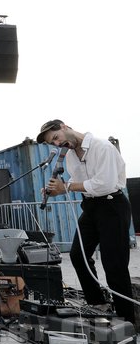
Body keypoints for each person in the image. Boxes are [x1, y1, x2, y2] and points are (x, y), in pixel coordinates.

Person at [36, 119, 135, 324]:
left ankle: (127, 318)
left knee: (114, 264)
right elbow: (80, 184)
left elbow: (105, 184)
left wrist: (66, 187)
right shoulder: (70, 156)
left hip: (112, 205)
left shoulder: (102, 147)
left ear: (64, 126)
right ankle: (97, 303)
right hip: (91, 207)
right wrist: (55, 190)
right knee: (77, 255)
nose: (57, 144)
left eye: (56, 138)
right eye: (53, 144)